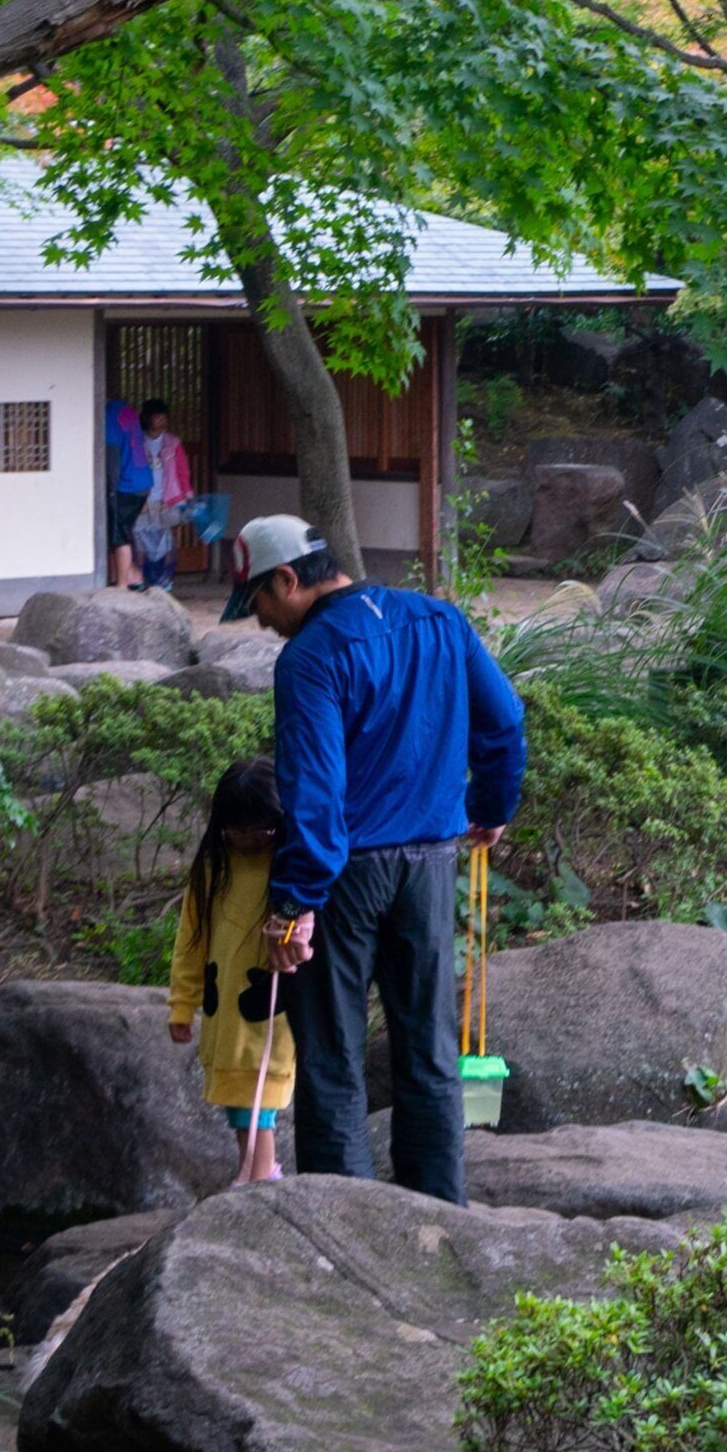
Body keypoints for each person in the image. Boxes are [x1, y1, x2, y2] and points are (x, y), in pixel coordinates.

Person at [230, 514, 527, 1203]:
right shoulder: (438, 621)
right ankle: (439, 1212)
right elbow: (505, 718)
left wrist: (293, 902)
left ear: (285, 580)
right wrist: (493, 805)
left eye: (259, 604)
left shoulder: (309, 658)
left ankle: (350, 1225)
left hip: (347, 874)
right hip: (429, 862)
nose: (262, 621)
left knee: (333, 1055)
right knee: (427, 1046)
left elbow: (315, 790)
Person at [167, 758, 296, 1184]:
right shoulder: (211, 869)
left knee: (259, 1094)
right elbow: (191, 942)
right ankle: (256, 1170)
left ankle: (259, 1175)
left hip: (273, 1007)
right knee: (238, 1099)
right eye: (236, 828)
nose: (247, 838)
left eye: (259, 828)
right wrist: (182, 1006)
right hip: (224, 1005)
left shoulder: (292, 868)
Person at [131, 404, 191, 591]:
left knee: (164, 539)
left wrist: (185, 498)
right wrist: (135, 500)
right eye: (158, 417)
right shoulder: (136, 441)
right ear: (147, 419)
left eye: (164, 417)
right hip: (142, 499)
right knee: (139, 537)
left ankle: (165, 580)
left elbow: (183, 472)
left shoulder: (173, 443)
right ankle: (139, 578)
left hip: (167, 499)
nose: (163, 421)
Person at [103, 396, 160, 587]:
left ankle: (122, 586)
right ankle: (134, 575)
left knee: (119, 535)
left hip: (127, 484)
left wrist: (110, 490)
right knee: (124, 530)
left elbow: (112, 459)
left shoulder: (109, 416)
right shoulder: (127, 412)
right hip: (143, 480)